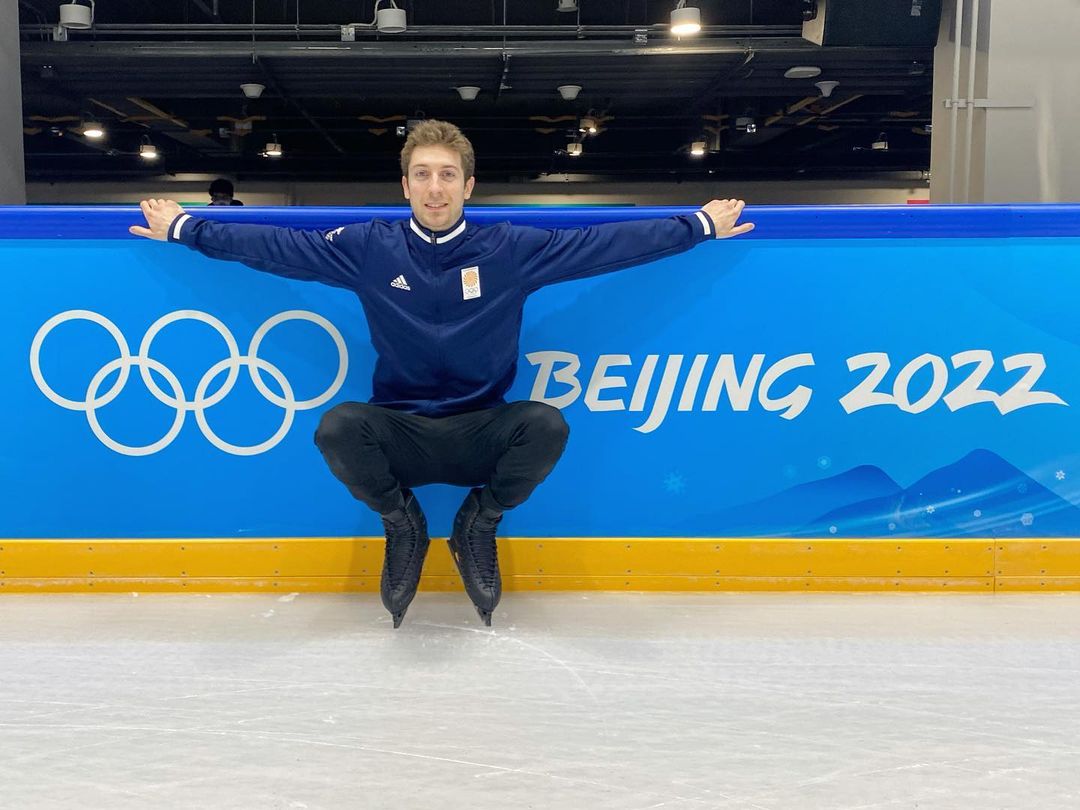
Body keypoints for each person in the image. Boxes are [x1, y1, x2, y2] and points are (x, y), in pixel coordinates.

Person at [129, 120, 755, 628]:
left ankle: (478, 521)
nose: (435, 188)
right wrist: (188, 228)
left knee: (546, 423)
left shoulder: (510, 249)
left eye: (447, 176)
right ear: (405, 185)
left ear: (468, 185)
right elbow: (278, 249)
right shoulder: (369, 246)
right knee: (339, 426)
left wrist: (697, 226)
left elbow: (602, 245)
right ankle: (402, 522)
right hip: (399, 431)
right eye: (423, 175)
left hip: (481, 430)